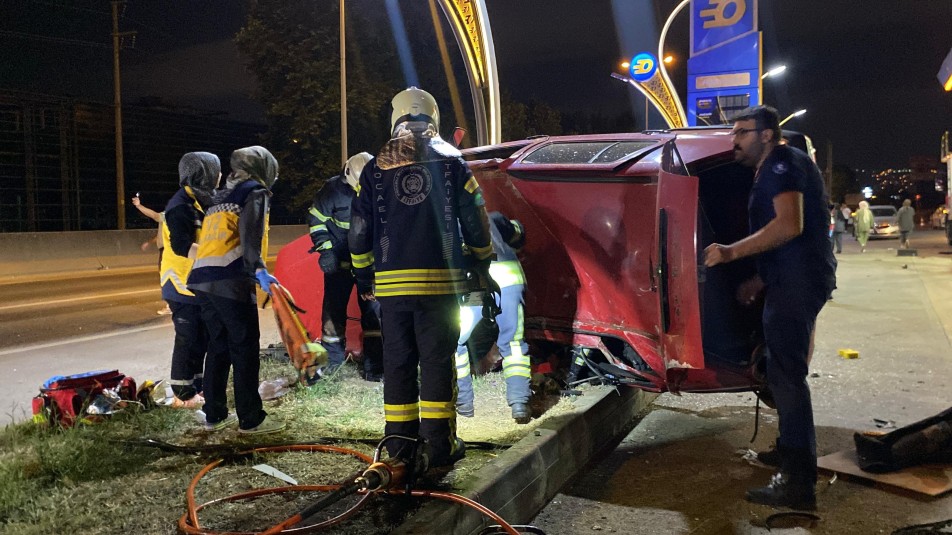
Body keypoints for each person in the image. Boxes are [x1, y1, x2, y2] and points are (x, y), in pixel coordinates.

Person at [349, 87, 496, 468]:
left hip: (392, 286)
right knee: (436, 360)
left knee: (397, 361)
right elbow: (476, 219)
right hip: (441, 284)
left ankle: (398, 447)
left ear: (395, 117)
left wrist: (365, 276)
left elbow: (359, 229)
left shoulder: (374, 167)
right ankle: (440, 445)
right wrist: (482, 262)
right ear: (434, 117)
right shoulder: (452, 160)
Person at [704, 105, 836, 510]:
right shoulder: (774, 166)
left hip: (798, 284)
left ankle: (797, 481)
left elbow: (788, 225)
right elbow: (795, 236)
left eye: (742, 132)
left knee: (787, 378)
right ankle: (791, 451)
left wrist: (728, 253)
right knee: (784, 375)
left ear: (766, 134)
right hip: (789, 279)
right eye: (733, 133)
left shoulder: (782, 163)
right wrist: (759, 278)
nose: (734, 141)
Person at [187, 146, 285, 434]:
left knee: (218, 347)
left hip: (203, 277)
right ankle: (251, 419)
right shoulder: (255, 191)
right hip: (229, 278)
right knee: (244, 348)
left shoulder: (220, 196)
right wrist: (257, 269)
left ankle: (214, 415)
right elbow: (250, 231)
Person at [307, 152, 383, 381]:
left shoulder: (379, 188)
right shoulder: (332, 190)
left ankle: (376, 367)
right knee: (332, 313)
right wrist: (325, 250)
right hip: (339, 263)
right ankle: (333, 365)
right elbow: (316, 220)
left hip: (367, 265)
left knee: (373, 314)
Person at [456, 212, 532, 424]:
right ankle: (519, 403)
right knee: (513, 341)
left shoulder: (445, 224)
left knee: (457, 340)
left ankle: (464, 404)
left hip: (476, 288)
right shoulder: (493, 217)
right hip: (509, 283)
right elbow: (518, 232)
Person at [160, 152, 220, 409]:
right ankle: (183, 394)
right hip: (180, 284)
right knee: (188, 337)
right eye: (215, 171)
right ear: (202, 174)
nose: (219, 176)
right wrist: (217, 253)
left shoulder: (201, 202)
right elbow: (182, 246)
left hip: (198, 285)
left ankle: (197, 389)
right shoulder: (180, 205)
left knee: (202, 337)